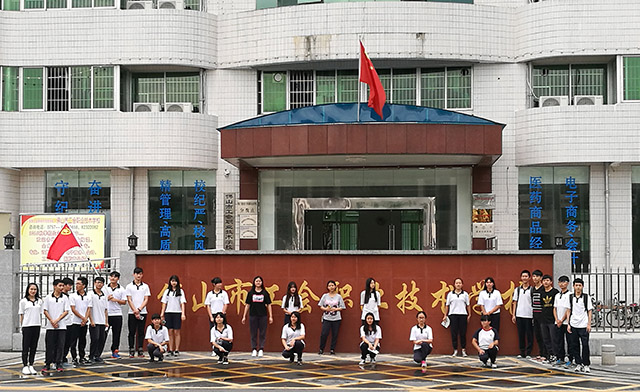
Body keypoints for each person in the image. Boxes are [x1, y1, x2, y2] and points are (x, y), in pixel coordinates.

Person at [42, 279, 70, 373]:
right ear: (54, 286)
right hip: (50, 326)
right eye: (60, 285)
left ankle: (59, 363)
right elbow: (45, 310)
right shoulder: (48, 298)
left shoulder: (65, 298)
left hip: (61, 326)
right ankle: (47, 363)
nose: (62, 287)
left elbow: (66, 311)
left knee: (60, 345)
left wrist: (57, 320)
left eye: (63, 286)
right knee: (50, 345)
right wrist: (52, 321)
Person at [241, 276, 273, 358]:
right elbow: (247, 305)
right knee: (253, 333)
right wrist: (244, 316)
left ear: (262, 282)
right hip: (253, 315)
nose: (258, 282)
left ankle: (261, 349)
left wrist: (270, 316)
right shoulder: (250, 293)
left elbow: (269, 305)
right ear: (254, 283)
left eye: (259, 281)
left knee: (262, 333)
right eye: (257, 281)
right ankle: (254, 349)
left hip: (263, 315)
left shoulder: (265, 293)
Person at [567, 278, 593, 373]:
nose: (578, 287)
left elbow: (590, 311)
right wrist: (568, 324)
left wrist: (589, 324)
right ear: (573, 286)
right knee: (575, 345)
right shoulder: (570, 297)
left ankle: (586, 364)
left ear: (582, 286)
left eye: (580, 285)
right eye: (576, 285)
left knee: (585, 345)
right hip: (573, 324)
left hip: (583, 325)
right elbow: (568, 311)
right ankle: (578, 363)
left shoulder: (586, 297)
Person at [126, 267, 151, 358]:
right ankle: (131, 349)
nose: (138, 276)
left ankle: (140, 348)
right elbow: (129, 299)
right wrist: (135, 310)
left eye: (140, 274)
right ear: (134, 274)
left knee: (141, 331)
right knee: (131, 331)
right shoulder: (129, 286)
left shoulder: (145, 286)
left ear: (142, 275)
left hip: (143, 312)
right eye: (137, 274)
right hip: (132, 312)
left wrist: (139, 309)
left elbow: (146, 299)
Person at [160, 275, 186, 357]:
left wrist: (183, 313)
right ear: (170, 282)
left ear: (177, 282)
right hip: (168, 313)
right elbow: (164, 303)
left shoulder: (181, 291)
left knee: (177, 332)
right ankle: (170, 349)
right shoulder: (167, 291)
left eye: (175, 281)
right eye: (172, 281)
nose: (173, 282)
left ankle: (177, 349)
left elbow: (182, 303)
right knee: (170, 332)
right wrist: (162, 314)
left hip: (177, 313)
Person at [443, 277, 470, 357]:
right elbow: (447, 306)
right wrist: (445, 315)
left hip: (463, 315)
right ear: (454, 285)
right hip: (453, 315)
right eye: (457, 283)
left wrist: (469, 314)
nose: (458, 284)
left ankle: (463, 350)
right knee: (454, 333)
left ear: (462, 285)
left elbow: (468, 305)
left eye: (460, 283)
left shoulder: (465, 294)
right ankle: (455, 350)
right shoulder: (450, 294)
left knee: (463, 333)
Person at [317, 280, 346, 355]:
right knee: (324, 333)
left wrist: (336, 309)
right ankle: (321, 349)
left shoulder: (339, 296)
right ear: (327, 287)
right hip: (326, 318)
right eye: (329, 286)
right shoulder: (325, 296)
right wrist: (326, 309)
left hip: (336, 318)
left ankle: (332, 349)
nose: (331, 287)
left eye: (332, 285)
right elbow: (320, 306)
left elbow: (342, 307)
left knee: (335, 334)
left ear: (335, 286)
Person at [19, 283, 41, 375]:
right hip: (27, 326)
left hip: (37, 325)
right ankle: (25, 365)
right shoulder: (23, 301)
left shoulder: (39, 301)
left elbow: (41, 313)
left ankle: (31, 364)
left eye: (35, 289)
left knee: (33, 346)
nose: (33, 291)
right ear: (28, 290)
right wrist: (22, 326)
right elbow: (21, 314)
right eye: (31, 289)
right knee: (26, 346)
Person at [68, 277, 92, 366]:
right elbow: (73, 309)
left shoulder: (88, 296)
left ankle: (82, 357)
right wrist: (82, 318)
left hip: (84, 323)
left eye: (79, 284)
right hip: (75, 321)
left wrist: (85, 319)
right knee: (73, 341)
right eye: (76, 284)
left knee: (83, 340)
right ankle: (74, 357)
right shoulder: (72, 296)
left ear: (84, 286)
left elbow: (89, 308)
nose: (76, 285)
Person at [104, 271, 127, 359]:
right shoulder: (105, 288)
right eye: (111, 276)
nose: (113, 278)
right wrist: (107, 298)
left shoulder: (122, 289)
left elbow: (124, 302)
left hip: (117, 314)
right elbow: (101, 299)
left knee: (116, 334)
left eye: (115, 277)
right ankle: (98, 352)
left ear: (118, 279)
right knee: (103, 334)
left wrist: (115, 300)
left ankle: (115, 351)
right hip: (107, 314)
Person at [512, 269, 533, 359]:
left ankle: (528, 353)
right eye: (523, 276)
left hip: (529, 315)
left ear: (529, 278)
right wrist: (513, 314)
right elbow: (515, 302)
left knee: (529, 335)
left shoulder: (532, 290)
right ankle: (522, 352)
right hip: (519, 315)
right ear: (521, 278)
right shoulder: (518, 290)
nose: (524, 278)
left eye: (526, 276)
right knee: (521, 335)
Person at [553, 275, 573, 368]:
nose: (562, 284)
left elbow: (568, 309)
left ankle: (570, 359)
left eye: (564, 282)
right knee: (558, 341)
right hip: (557, 322)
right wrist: (557, 319)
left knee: (570, 341)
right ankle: (560, 358)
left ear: (568, 283)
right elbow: (554, 308)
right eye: (560, 282)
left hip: (566, 322)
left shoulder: (570, 295)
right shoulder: (557, 295)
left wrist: (562, 319)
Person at [88, 276, 108, 363]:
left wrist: (106, 322)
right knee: (95, 339)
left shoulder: (104, 295)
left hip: (102, 321)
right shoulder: (90, 294)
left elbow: (106, 309)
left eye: (101, 283)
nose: (99, 284)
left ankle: (98, 355)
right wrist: (91, 320)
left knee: (101, 339)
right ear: (94, 283)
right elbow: (88, 308)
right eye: (97, 282)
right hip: (94, 321)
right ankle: (91, 355)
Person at [539, 274, 559, 364]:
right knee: (546, 339)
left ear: (551, 282)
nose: (545, 282)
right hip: (543, 320)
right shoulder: (542, 293)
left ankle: (555, 355)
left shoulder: (555, 292)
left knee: (554, 338)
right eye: (544, 281)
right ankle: (549, 355)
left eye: (547, 280)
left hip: (552, 320)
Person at [531, 269, 547, 361]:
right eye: (533, 276)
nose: (535, 278)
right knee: (537, 335)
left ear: (541, 278)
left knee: (543, 335)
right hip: (535, 314)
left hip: (542, 315)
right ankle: (541, 353)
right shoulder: (533, 289)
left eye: (537, 276)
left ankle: (545, 354)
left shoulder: (543, 288)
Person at [61, 277, 74, 368]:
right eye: (69, 285)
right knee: (61, 342)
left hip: (69, 322)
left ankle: (64, 358)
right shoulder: (60, 297)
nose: (70, 287)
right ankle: (58, 359)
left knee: (67, 342)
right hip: (62, 323)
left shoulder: (69, 296)